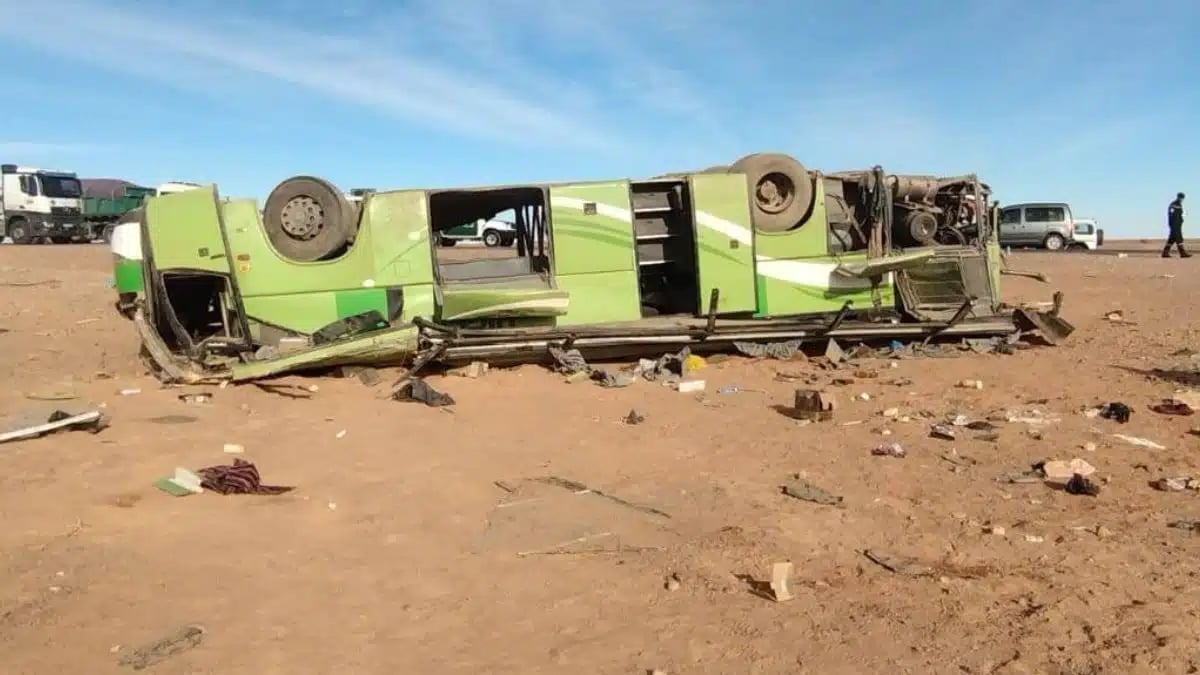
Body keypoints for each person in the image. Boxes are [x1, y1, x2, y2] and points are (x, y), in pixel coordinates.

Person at [1163, 192, 1190, 258]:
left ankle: (1165, 253)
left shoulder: (1179, 204)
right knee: (1179, 238)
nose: (1181, 199)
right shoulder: (1174, 204)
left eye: (1182, 198)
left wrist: (1181, 220)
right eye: (1180, 197)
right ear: (1178, 197)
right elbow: (1172, 215)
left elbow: (1179, 214)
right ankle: (1182, 253)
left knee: (1172, 239)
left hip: (1177, 224)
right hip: (1174, 225)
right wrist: (1173, 224)